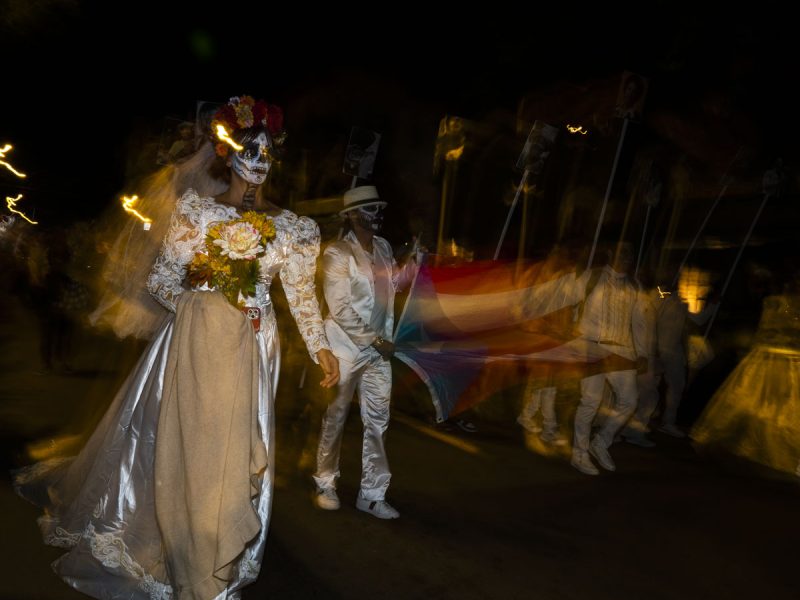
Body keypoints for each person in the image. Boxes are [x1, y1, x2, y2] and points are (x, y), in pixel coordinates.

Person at [14, 95, 340, 599]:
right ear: (226, 154)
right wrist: (206, 300)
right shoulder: (197, 213)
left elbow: (300, 296)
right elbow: (163, 282)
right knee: (186, 449)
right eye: (248, 150)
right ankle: (184, 548)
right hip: (194, 347)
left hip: (255, 350)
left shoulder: (294, 228)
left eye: (267, 152)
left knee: (233, 456)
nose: (258, 161)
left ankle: (216, 553)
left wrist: (320, 347)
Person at [312, 185, 417, 519]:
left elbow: (392, 286)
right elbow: (340, 308)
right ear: (353, 215)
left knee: (378, 421)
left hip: (378, 351)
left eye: (379, 208)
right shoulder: (338, 253)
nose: (377, 215)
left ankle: (372, 494)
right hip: (344, 349)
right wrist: (374, 340)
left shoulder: (383, 247)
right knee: (336, 416)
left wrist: (414, 264)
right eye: (370, 209)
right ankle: (325, 482)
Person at [691, 281, 800, 477]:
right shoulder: (773, 303)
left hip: (783, 361)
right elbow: (765, 330)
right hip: (771, 361)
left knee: (776, 409)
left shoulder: (775, 303)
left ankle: (769, 450)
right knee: (758, 404)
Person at [570, 242, 649, 475]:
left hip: (622, 350)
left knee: (629, 401)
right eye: (622, 252)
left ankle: (601, 442)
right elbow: (571, 302)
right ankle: (579, 453)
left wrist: (642, 353)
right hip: (592, 346)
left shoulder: (635, 285)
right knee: (590, 402)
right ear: (610, 253)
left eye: (630, 253)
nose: (627, 256)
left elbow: (639, 323)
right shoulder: (592, 276)